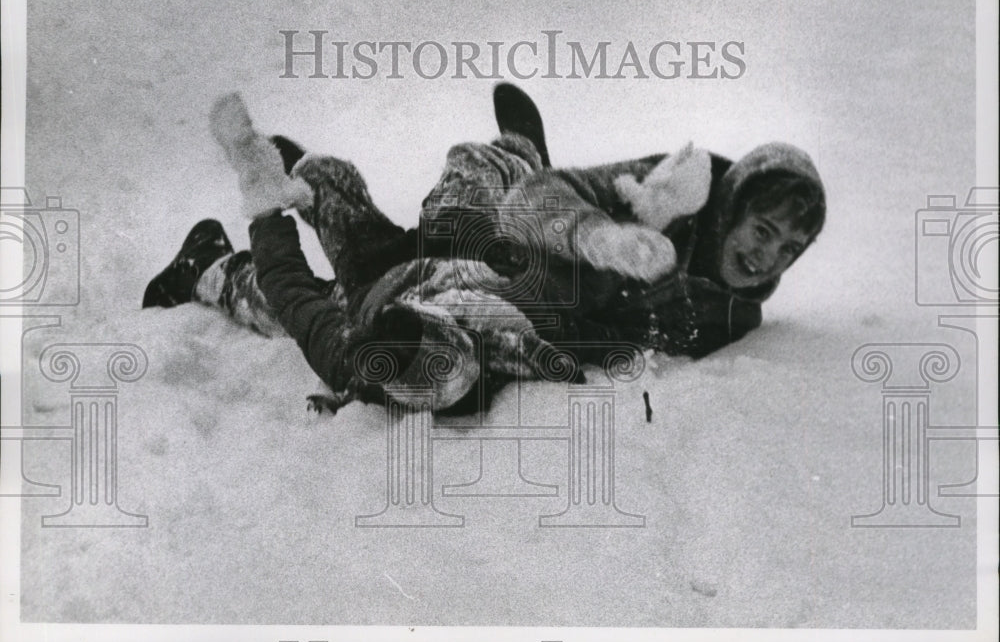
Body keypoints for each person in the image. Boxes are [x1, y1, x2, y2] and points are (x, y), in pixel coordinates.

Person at [143, 85, 826, 413]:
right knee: (464, 203)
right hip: (495, 246)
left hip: (481, 293)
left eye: (790, 249)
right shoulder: (676, 182)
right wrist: (607, 235)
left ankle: (216, 258)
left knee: (335, 295)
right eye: (762, 231)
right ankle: (517, 147)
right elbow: (537, 205)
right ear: (731, 208)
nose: (769, 259)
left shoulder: (734, 315)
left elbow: (593, 346)